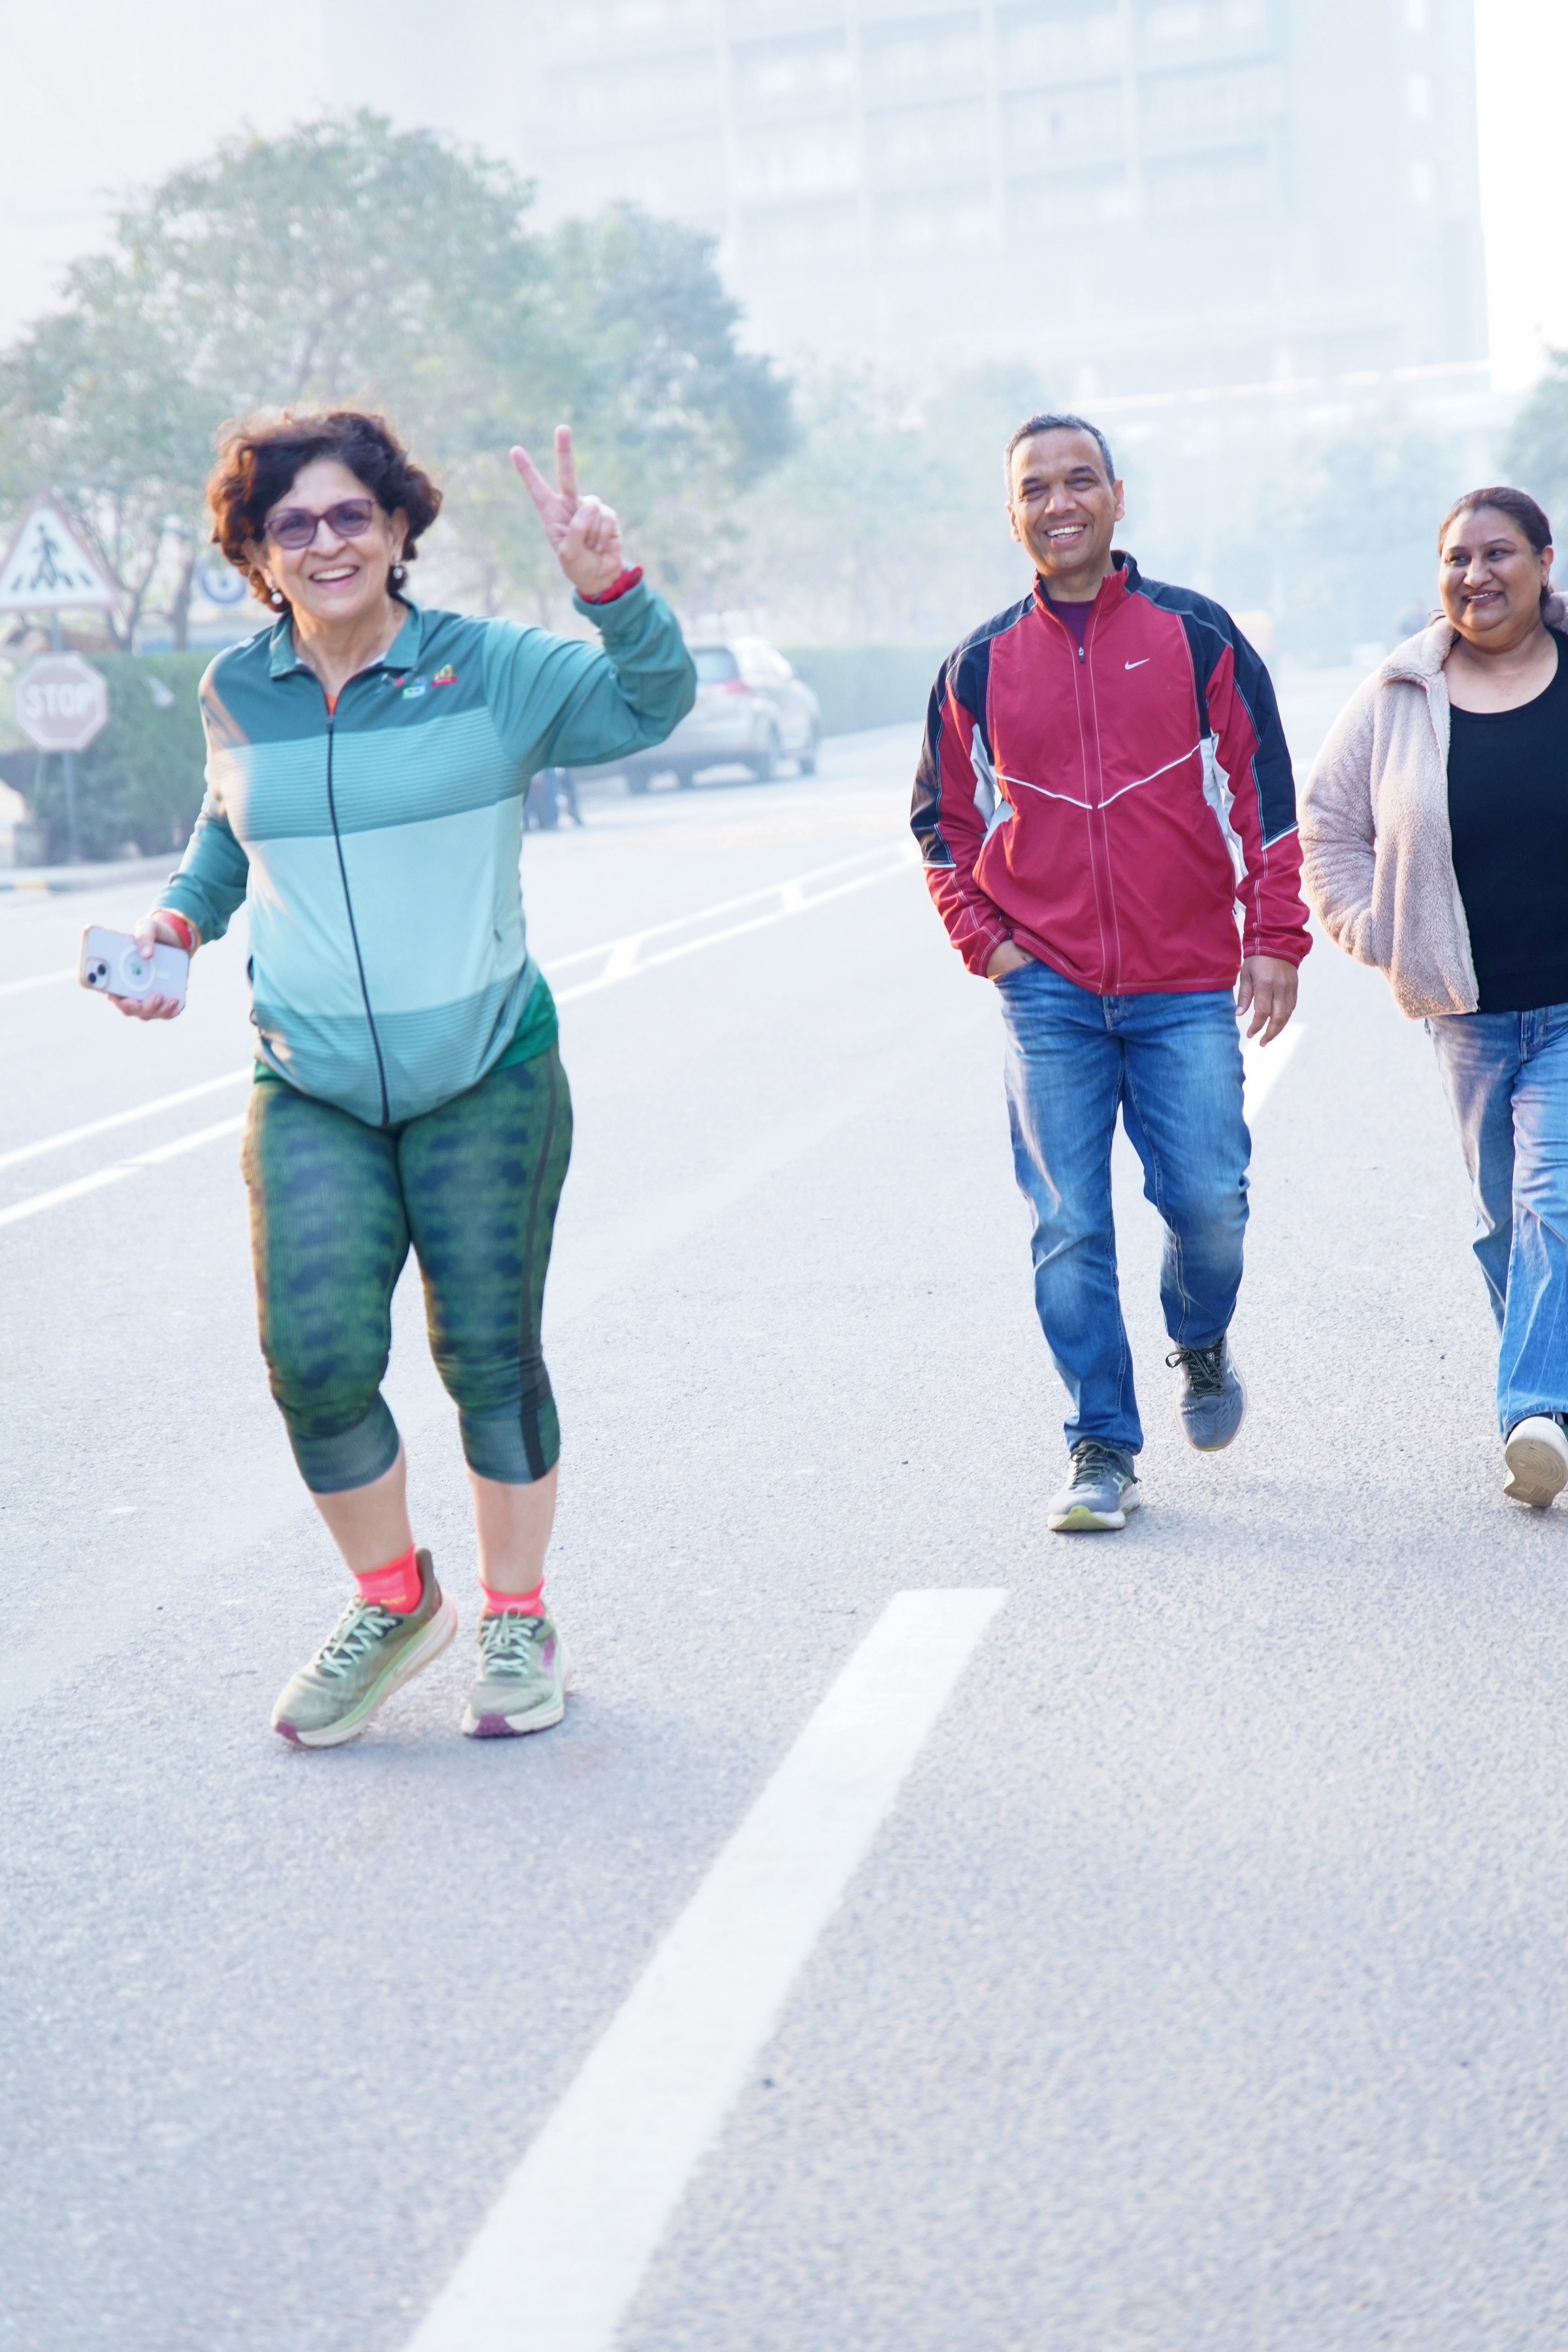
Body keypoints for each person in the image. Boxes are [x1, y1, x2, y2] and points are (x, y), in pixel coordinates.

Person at [108, 408, 694, 1740]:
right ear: (257, 555)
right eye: (292, 524)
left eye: (350, 516)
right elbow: (227, 829)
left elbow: (651, 703)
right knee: (312, 1359)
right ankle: (393, 1601)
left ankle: (517, 1618)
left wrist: (609, 587)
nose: (326, 542)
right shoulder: (235, 691)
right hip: (309, 1085)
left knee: (486, 1355)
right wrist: (178, 922)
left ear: (397, 530)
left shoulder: (490, 671)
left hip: (484, 1070)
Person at [912, 411, 1309, 1533]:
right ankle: (1101, 1443)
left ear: (1117, 499)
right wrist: (985, 940)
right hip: (1048, 989)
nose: (1060, 502)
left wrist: (1273, 937)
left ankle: (1201, 1336)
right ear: (1013, 517)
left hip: (1184, 980)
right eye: (1036, 488)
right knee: (1068, 1224)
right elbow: (940, 823)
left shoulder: (1196, 634)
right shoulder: (978, 664)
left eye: (1080, 480)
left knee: (1210, 1205)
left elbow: (1266, 793)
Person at [1302, 486, 1568, 1509]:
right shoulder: (1402, 692)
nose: (1476, 574)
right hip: (1464, 1010)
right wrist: (1377, 932)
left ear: (1544, 563)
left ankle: (1534, 1411)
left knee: (1553, 1197)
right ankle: (1550, 1404)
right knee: (1502, 1221)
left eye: (1499, 553)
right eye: (1457, 558)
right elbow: (1328, 824)